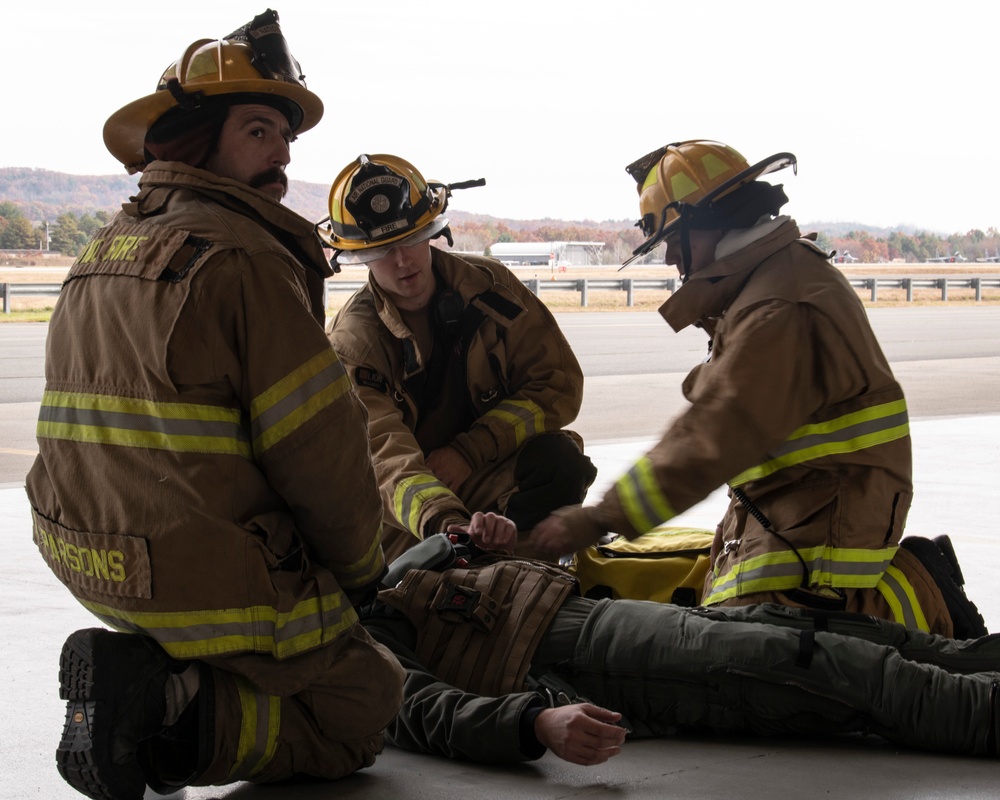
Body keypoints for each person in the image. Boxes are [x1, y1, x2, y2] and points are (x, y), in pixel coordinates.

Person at [25, 12, 405, 800]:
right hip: (189, 573)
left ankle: (157, 669)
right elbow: (322, 454)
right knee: (367, 703)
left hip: (86, 556)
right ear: (199, 140)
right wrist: (362, 571)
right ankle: (173, 711)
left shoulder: (100, 250)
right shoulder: (244, 260)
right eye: (260, 130)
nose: (284, 153)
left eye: (286, 136)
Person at [530, 140, 985, 639]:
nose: (670, 257)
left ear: (714, 222)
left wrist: (594, 520)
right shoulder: (772, 281)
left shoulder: (778, 308)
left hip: (818, 548)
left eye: (677, 238)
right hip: (796, 518)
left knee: (742, 673)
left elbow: (710, 438)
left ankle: (925, 592)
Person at [363, 536, 1000, 766]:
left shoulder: (382, 578)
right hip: (601, 654)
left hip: (614, 622)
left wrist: (489, 539)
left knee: (848, 637)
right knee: (836, 670)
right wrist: (534, 721)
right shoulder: (355, 642)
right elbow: (425, 712)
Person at [322, 154, 597, 562]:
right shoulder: (353, 344)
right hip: (407, 514)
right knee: (430, 579)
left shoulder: (491, 289)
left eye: (410, 239)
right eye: (381, 249)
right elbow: (382, 458)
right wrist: (446, 523)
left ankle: (522, 573)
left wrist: (471, 451)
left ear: (432, 230)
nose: (401, 261)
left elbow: (557, 385)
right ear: (358, 256)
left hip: (483, 472)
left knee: (560, 463)